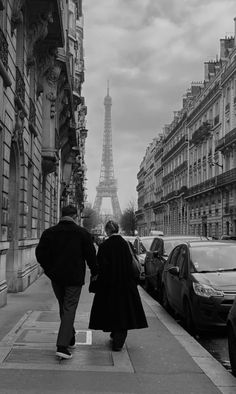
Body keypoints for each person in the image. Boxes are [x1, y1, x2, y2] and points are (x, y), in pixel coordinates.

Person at [35, 205, 97, 360]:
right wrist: (95, 272)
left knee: (64, 307)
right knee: (69, 308)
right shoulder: (83, 233)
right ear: (76, 216)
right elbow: (91, 256)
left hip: (56, 278)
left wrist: (50, 271)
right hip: (74, 278)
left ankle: (70, 337)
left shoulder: (49, 233)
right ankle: (62, 346)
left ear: (61, 215)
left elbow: (40, 254)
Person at [89, 220, 148, 351]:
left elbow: (99, 267)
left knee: (111, 311)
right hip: (126, 285)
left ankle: (115, 335)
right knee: (124, 312)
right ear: (117, 229)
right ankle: (118, 340)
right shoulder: (126, 244)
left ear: (107, 231)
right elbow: (132, 262)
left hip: (108, 286)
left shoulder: (104, 246)